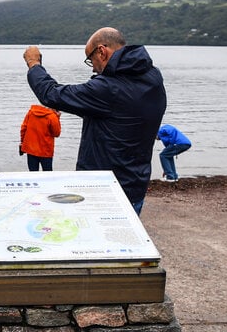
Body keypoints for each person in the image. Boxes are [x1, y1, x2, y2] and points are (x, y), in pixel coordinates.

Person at [23, 27, 166, 214]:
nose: (92, 66)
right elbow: (120, 114)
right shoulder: (153, 77)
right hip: (136, 185)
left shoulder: (109, 89)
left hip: (102, 191)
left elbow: (51, 94)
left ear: (101, 51)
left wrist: (35, 64)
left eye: (90, 60)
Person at [19, 103, 61, 171]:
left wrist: (22, 141)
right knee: (47, 175)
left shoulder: (31, 112)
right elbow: (56, 133)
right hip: (46, 151)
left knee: (33, 174)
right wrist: (57, 117)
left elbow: (23, 128)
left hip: (31, 149)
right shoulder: (52, 116)